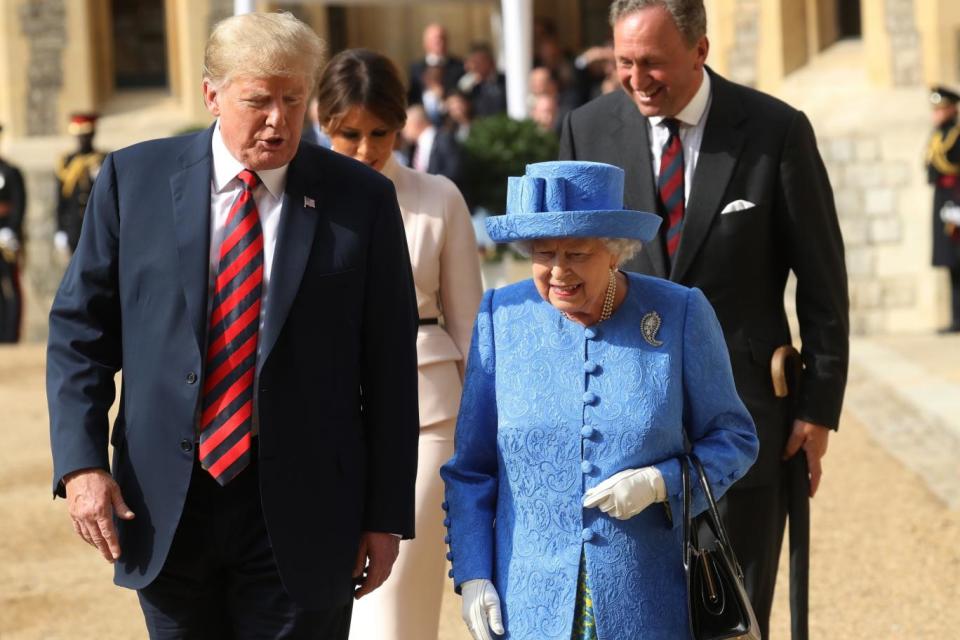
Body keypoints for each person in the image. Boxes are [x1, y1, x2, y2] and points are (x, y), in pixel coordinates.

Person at [46, 13, 420, 639]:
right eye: (258, 101)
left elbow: (387, 368)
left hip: (307, 513)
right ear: (211, 94)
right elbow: (79, 334)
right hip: (164, 505)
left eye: (293, 100)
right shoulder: (132, 181)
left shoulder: (361, 201)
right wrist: (82, 465)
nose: (278, 119)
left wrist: (384, 515)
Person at [558, 1, 849, 637]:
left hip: (741, 423)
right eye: (624, 62)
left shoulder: (776, 131)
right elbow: (565, 274)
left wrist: (818, 407)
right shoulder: (587, 128)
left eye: (653, 63)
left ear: (701, 50)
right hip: (622, 430)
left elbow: (823, 282)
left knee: (733, 621)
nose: (636, 79)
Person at [441, 160, 758, 640]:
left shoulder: (679, 313)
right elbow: (473, 468)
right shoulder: (501, 318)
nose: (559, 270)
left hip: (648, 597)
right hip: (528, 600)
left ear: (614, 252)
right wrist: (473, 573)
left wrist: (659, 482)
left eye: (577, 252)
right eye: (544, 253)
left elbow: (734, 438)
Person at [315, 47, 483, 640]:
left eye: (380, 132)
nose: (365, 149)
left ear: (403, 122)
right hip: (313, 425)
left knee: (391, 616)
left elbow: (469, 328)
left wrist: (487, 433)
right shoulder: (291, 196)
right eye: (347, 133)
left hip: (426, 422)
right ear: (321, 120)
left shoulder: (440, 199)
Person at [926, 85, 960, 333]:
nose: (935, 114)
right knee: (951, 262)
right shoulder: (938, 136)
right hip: (943, 200)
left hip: (956, 199)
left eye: (940, 109)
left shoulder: (955, 134)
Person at [54, 112, 106, 255]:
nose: (83, 139)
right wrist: (59, 229)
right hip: (74, 226)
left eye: (87, 135)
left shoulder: (104, 160)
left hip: (98, 225)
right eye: (80, 135)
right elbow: (60, 199)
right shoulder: (66, 162)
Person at [0, 122, 26, 342]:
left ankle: (11, 336)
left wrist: (11, 229)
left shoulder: (10, 171)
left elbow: (18, 203)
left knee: (12, 286)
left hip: (6, 237)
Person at [402, 104, 464, 188]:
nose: (403, 132)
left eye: (405, 127)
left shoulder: (444, 139)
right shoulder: (414, 148)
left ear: (416, 123)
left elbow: (454, 171)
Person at [408, 23, 465, 107]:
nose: (440, 42)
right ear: (425, 42)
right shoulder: (415, 68)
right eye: (435, 39)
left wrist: (444, 94)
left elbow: (462, 91)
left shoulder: (459, 66)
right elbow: (413, 97)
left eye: (443, 38)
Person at [459, 43, 507, 118]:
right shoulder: (469, 84)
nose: (476, 66)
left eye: (480, 62)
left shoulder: (504, 81)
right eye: (473, 62)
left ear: (491, 62)